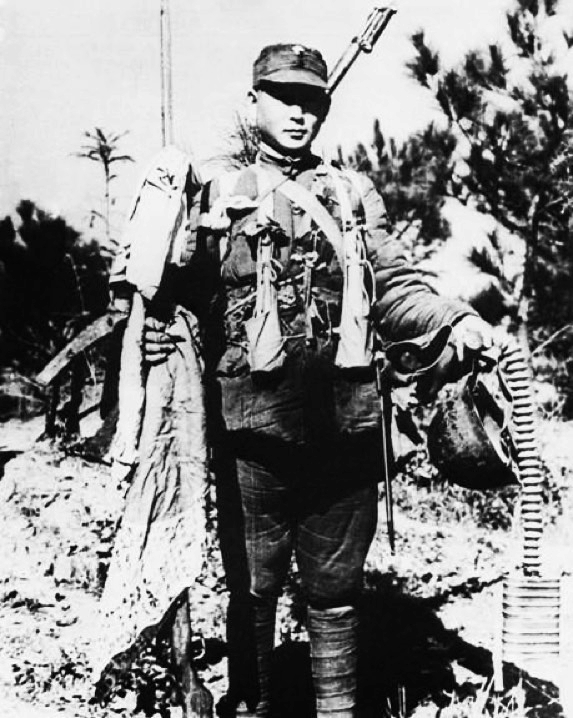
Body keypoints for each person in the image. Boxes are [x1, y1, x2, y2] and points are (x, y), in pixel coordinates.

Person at [140, 43, 493, 718]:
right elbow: (174, 298)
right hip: (253, 428)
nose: (298, 113)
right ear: (255, 103)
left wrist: (453, 320)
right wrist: (163, 319)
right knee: (252, 586)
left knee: (334, 590)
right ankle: (250, 706)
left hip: (346, 423)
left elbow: (396, 288)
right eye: (283, 97)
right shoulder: (215, 196)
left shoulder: (353, 195)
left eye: (311, 100)